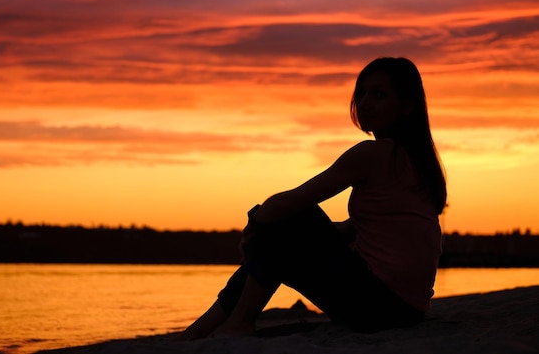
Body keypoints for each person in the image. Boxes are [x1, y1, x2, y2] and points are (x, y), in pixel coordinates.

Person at [178, 57, 447, 339]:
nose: (365, 102)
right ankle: (203, 330)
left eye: (379, 95)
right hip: (408, 312)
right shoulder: (420, 165)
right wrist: (285, 239)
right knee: (288, 230)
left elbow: (289, 203)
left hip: (378, 306)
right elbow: (351, 230)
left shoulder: (373, 154)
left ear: (407, 105)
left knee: (293, 217)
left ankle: (235, 323)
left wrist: (256, 225)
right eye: (362, 93)